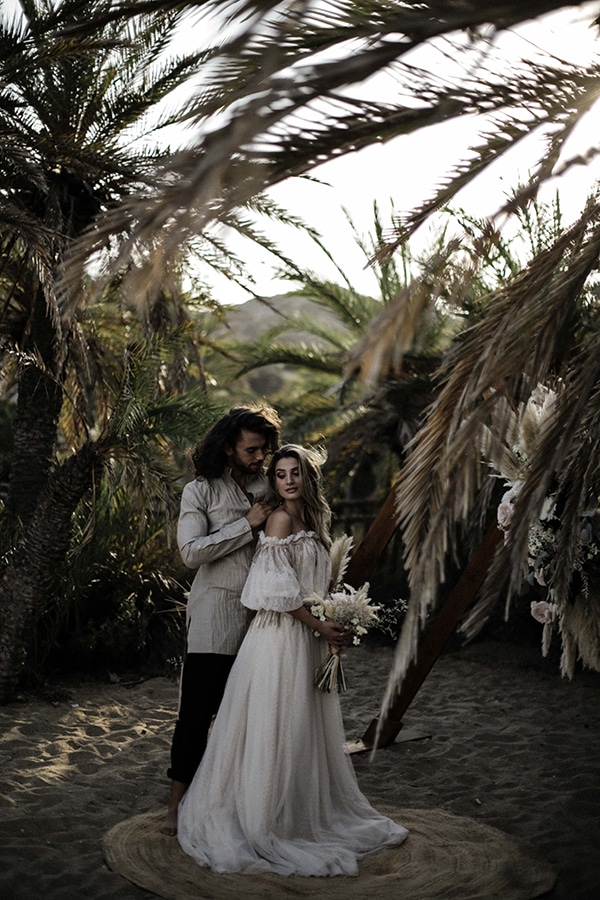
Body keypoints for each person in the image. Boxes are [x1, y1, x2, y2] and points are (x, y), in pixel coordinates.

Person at [177, 445, 408, 875]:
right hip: (279, 638)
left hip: (307, 638)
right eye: (280, 473)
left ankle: (300, 812)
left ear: (307, 477)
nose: (287, 480)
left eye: (294, 472)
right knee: (275, 724)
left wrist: (334, 623)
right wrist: (320, 626)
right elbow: (273, 590)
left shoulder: (314, 522)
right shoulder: (280, 520)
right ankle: (266, 817)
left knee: (301, 728)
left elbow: (314, 586)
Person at [161, 405, 281, 836]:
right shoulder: (200, 491)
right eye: (251, 449)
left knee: (251, 717)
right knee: (196, 715)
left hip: (266, 621)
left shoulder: (271, 485)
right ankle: (175, 806)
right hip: (216, 617)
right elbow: (190, 552)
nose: (260, 457)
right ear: (229, 447)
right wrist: (246, 524)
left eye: (264, 449)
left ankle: (238, 805)